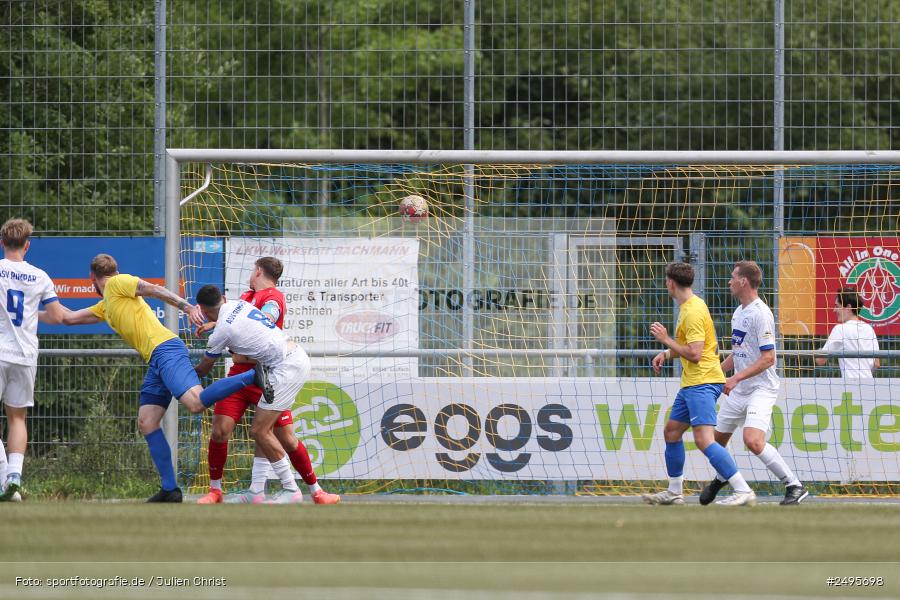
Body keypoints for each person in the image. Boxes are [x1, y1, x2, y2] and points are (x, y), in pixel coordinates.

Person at [56, 254, 267, 502]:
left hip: (166, 349)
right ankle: (170, 489)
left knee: (196, 403)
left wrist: (187, 306)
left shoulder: (116, 282)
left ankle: (253, 375)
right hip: (155, 360)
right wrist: (40, 302)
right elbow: (66, 318)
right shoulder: (106, 305)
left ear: (92, 277)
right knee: (147, 421)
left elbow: (152, 289)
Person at [195, 257, 339, 505]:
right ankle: (230, 491)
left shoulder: (272, 298)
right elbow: (236, 324)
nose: (250, 274)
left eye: (253, 269)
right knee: (221, 431)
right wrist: (215, 324)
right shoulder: (243, 299)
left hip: (271, 373)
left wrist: (221, 333)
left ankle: (312, 491)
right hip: (242, 375)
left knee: (276, 435)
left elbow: (263, 324)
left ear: (259, 271)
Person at [643, 261, 756, 507]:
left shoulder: (692, 311)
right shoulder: (690, 306)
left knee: (704, 440)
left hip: (702, 382)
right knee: (671, 431)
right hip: (692, 383)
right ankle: (674, 491)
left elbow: (695, 354)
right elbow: (700, 348)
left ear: (671, 283)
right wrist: (667, 353)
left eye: (666, 282)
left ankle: (743, 488)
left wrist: (665, 340)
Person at [699, 261, 808, 506]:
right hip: (740, 389)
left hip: (761, 388)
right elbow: (738, 353)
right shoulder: (739, 312)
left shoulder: (761, 313)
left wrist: (736, 377)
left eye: (732, 277)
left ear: (743, 281)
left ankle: (794, 485)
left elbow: (768, 358)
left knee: (753, 441)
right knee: (714, 443)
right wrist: (715, 372)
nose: (729, 282)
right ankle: (722, 477)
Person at [0, 218, 67, 502]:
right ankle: (13, 476)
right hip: (26, 355)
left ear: (2, 243)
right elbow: (56, 317)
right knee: (17, 418)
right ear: (27, 245)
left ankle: (6, 478)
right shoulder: (40, 276)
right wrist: (31, 315)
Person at [815, 287, 880, 379]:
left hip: (850, 388)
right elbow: (876, 364)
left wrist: (817, 352)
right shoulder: (869, 329)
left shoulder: (840, 329)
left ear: (848, 308)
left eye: (837, 306)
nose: (834, 310)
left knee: (844, 394)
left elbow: (820, 360)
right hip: (870, 387)